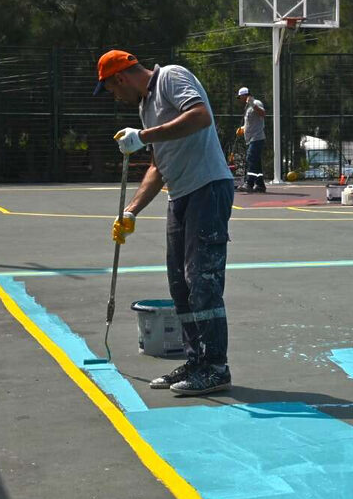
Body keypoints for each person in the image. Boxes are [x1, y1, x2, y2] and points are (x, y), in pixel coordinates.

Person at [95, 50, 234, 396]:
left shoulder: (171, 77)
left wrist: (143, 136)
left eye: (112, 90)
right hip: (181, 195)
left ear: (121, 78)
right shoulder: (145, 107)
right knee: (179, 285)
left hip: (208, 187)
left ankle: (216, 367)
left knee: (202, 280)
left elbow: (200, 116)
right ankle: (195, 360)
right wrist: (130, 211)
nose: (116, 97)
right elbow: (158, 166)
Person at [235, 86, 267, 193]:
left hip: (257, 138)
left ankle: (249, 183)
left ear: (246, 96)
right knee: (256, 163)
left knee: (250, 159)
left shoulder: (256, 103)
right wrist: (243, 129)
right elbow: (250, 123)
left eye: (240, 97)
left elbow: (263, 113)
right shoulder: (247, 107)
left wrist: (252, 104)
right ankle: (260, 185)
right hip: (250, 139)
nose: (239, 99)